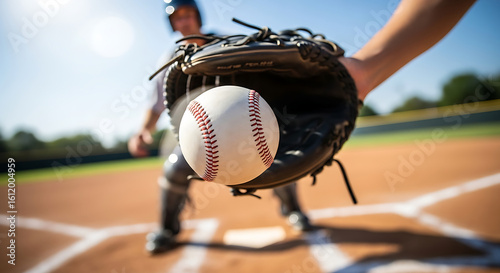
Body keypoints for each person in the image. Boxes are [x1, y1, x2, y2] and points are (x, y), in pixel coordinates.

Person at [128, 0, 312, 255]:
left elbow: (267, 63)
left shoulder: (227, 40)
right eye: (178, 18)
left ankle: (293, 210)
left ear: (198, 17)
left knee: (275, 159)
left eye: (188, 15)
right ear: (172, 24)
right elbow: (156, 104)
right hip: (201, 135)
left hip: (246, 126)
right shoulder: (169, 59)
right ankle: (168, 229)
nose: (185, 21)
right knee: (174, 170)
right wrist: (143, 131)